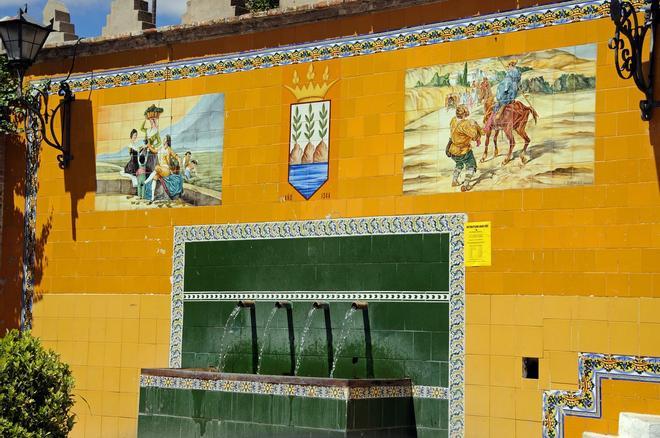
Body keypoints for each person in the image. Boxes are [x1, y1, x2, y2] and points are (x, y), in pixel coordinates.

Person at [445, 104, 482, 191]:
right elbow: (474, 135)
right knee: (471, 166)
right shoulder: (465, 124)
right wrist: (473, 124)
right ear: (464, 114)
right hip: (463, 151)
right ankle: (465, 184)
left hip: (453, 149)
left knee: (459, 164)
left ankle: (454, 180)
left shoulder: (453, 120)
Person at [144, 134, 183, 201]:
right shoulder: (160, 148)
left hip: (166, 169)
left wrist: (179, 159)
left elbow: (175, 156)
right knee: (155, 177)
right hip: (160, 169)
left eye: (164, 139)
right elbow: (154, 150)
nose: (163, 140)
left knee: (156, 167)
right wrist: (148, 144)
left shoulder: (169, 149)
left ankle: (145, 182)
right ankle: (152, 197)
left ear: (167, 141)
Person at [486, 60, 521, 129]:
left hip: (509, 90)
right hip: (512, 88)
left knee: (500, 101)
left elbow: (508, 83)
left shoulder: (512, 72)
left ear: (512, 65)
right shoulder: (514, 72)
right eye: (508, 66)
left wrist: (505, 89)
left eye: (509, 66)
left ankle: (498, 115)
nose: (508, 67)